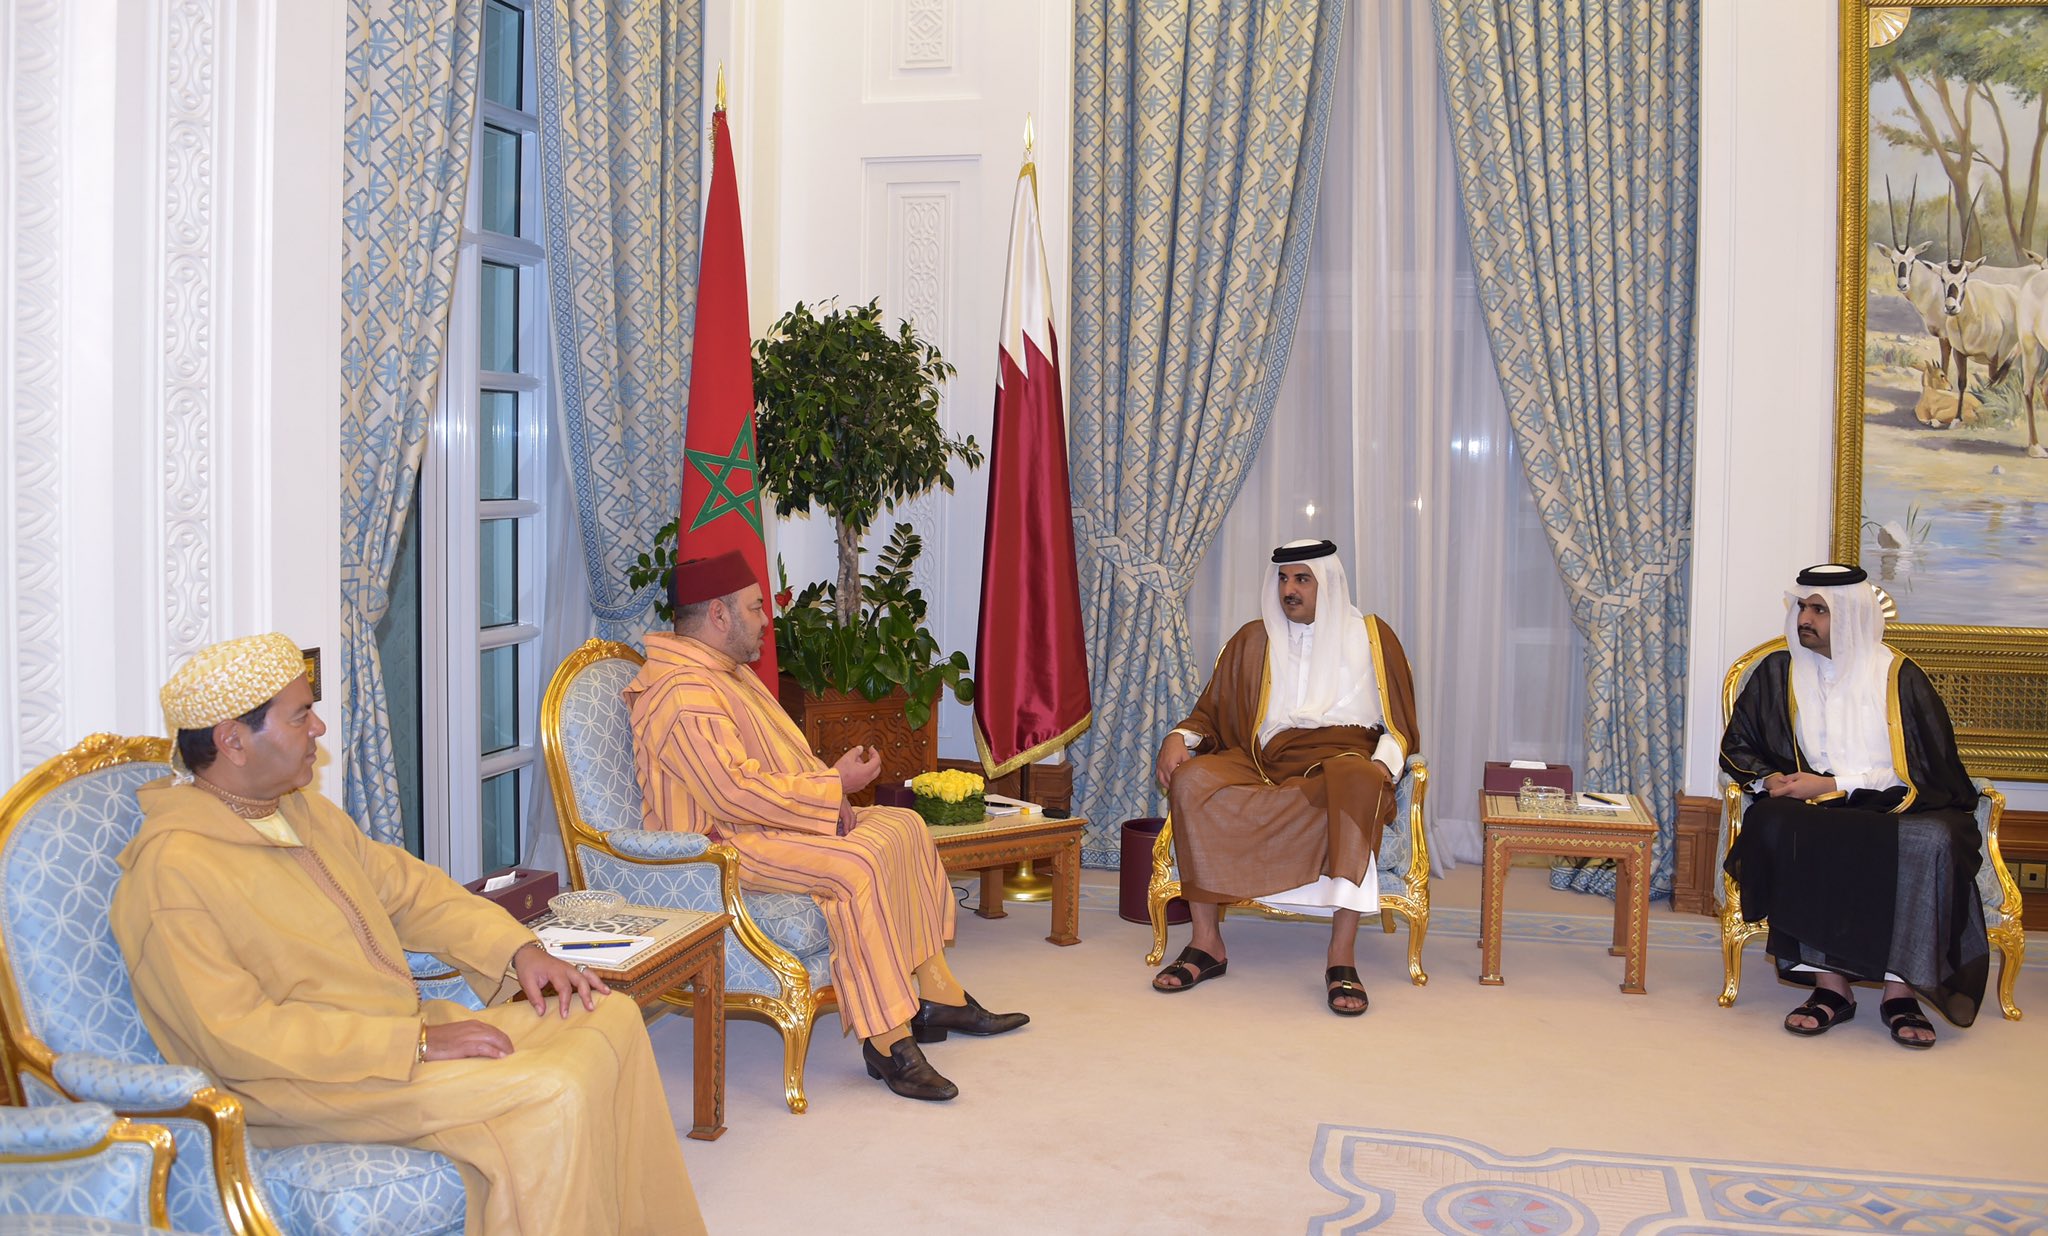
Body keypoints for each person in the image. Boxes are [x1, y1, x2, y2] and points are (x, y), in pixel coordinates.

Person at [111, 633, 704, 1235]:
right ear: (233, 741)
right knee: (551, 1090)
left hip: (393, 1042)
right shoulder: (172, 871)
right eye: (300, 715)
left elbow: (412, 893)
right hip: (302, 1085)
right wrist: (414, 1044)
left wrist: (519, 950)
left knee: (610, 1016)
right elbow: (237, 1036)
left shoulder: (299, 812)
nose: (318, 728)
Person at [625, 551, 1027, 1103]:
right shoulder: (681, 692)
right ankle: (887, 1041)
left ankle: (939, 995)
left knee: (905, 827)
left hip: (764, 824)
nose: (766, 620)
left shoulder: (721, 673)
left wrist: (829, 789)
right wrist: (830, 786)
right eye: (755, 607)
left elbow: (771, 765)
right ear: (718, 614)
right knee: (854, 867)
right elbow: (731, 793)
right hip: (720, 847)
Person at [1721, 563, 1987, 1049]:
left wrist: (1834, 783)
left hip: (1894, 801)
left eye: (1819, 610)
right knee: (1781, 824)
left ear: (1851, 615)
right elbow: (1740, 745)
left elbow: (1924, 767)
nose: (1806, 619)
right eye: (1803, 607)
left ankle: (1901, 990)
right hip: (1811, 809)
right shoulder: (1779, 671)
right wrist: (1771, 779)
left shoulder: (1898, 676)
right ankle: (1830, 987)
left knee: (1933, 838)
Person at [1151, 539, 1417, 1015]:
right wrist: (1178, 737)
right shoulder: (1254, 639)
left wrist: (1382, 767)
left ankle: (1341, 956)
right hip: (1261, 758)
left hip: (1340, 758)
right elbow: (1210, 711)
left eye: (1301, 579)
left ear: (1327, 583)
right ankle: (1207, 942)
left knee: (1357, 784)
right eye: (1282, 579)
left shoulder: (1372, 638)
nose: (1288, 590)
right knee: (1192, 781)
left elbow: (1399, 726)